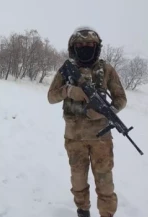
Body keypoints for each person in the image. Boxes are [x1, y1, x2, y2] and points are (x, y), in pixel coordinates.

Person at [47, 26, 127, 217]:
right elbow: (51, 97)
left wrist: (105, 113)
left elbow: (121, 99)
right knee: (78, 179)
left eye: (90, 44)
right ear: (73, 47)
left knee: (105, 181)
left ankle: (106, 214)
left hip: (101, 139)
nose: (85, 47)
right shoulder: (66, 70)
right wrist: (68, 91)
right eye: (81, 44)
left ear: (97, 46)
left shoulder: (106, 69)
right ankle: (83, 210)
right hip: (74, 138)